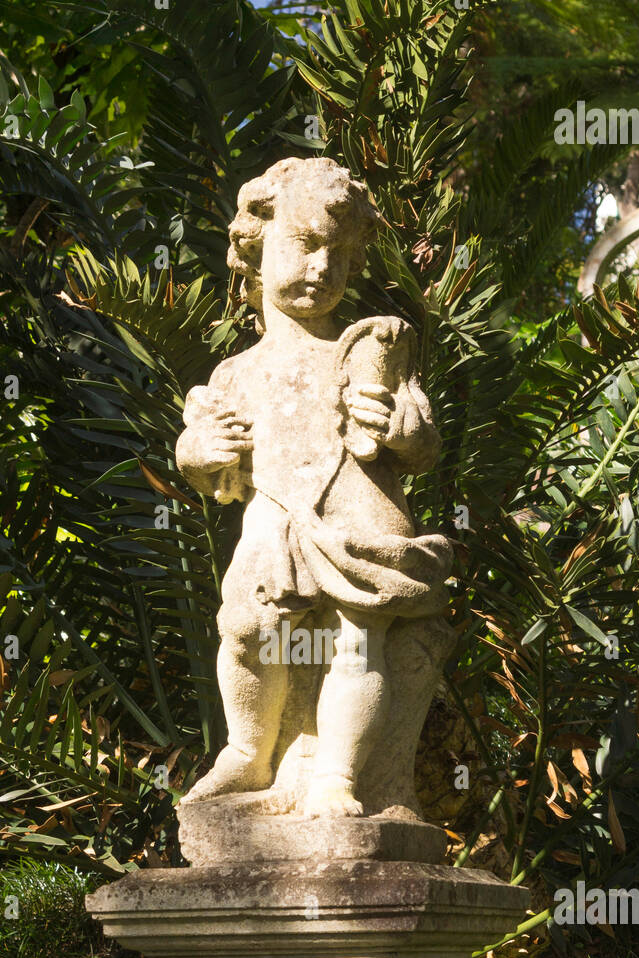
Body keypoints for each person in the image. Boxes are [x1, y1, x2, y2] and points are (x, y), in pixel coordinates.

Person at [176, 157, 452, 816]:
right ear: (256, 244)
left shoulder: (369, 353)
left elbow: (421, 446)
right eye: (304, 246)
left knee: (359, 640)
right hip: (274, 521)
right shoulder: (236, 371)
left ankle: (335, 777)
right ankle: (247, 749)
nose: (321, 268)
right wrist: (199, 454)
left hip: (362, 516)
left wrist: (400, 429)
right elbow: (201, 453)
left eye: (339, 256)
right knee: (245, 629)